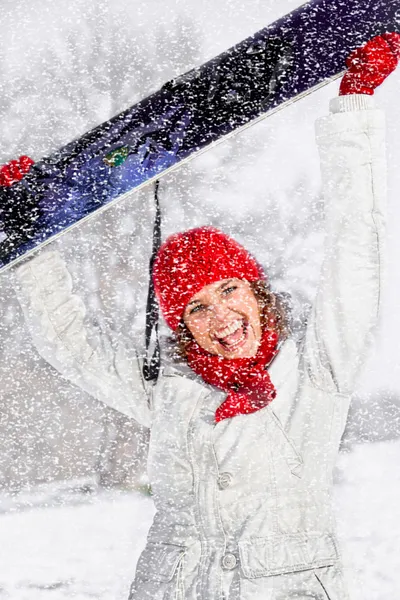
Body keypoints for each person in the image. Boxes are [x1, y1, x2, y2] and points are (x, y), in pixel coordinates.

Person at [3, 33, 400, 600]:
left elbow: (356, 252)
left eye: (230, 290)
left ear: (259, 294)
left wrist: (353, 111)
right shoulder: (168, 390)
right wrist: (30, 235)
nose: (222, 315)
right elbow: (67, 340)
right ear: (181, 324)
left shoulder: (318, 371)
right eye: (197, 306)